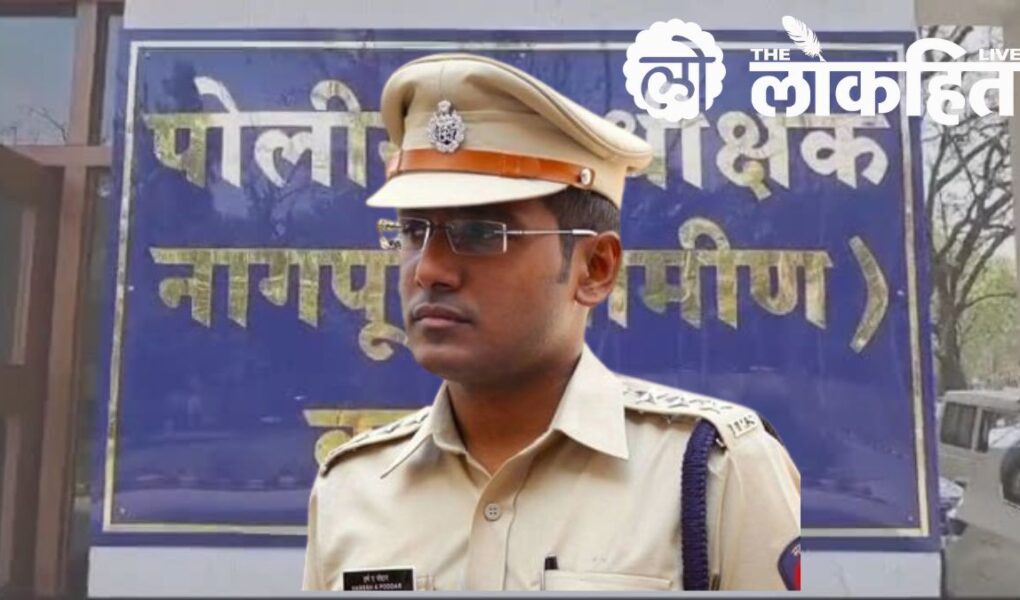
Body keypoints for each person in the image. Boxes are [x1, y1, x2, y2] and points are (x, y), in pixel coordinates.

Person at [302, 53, 801, 592]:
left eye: (481, 234)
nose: (429, 270)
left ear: (595, 268)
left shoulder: (713, 473)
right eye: (413, 231)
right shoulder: (353, 488)